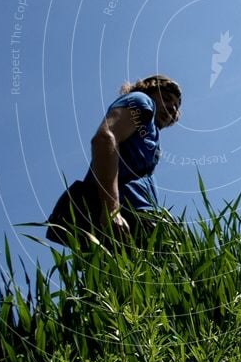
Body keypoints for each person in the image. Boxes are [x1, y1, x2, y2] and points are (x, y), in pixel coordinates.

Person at [46, 75, 181, 248]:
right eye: (167, 99)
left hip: (140, 220)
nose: (172, 108)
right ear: (149, 91)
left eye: (176, 107)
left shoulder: (151, 133)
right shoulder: (142, 101)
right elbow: (104, 139)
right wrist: (111, 209)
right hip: (123, 216)